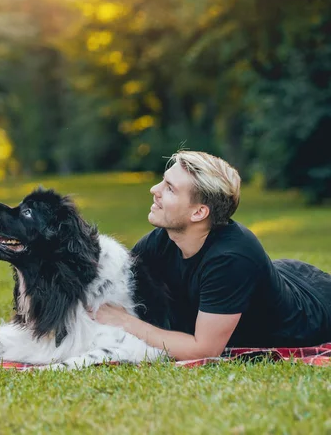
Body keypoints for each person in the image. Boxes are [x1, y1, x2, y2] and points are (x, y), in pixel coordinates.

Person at [94, 150, 331, 360]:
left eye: (169, 188)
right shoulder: (161, 241)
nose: (154, 190)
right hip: (286, 274)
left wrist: (125, 322)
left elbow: (204, 350)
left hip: (315, 311)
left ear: (198, 212)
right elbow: (118, 289)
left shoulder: (231, 259)